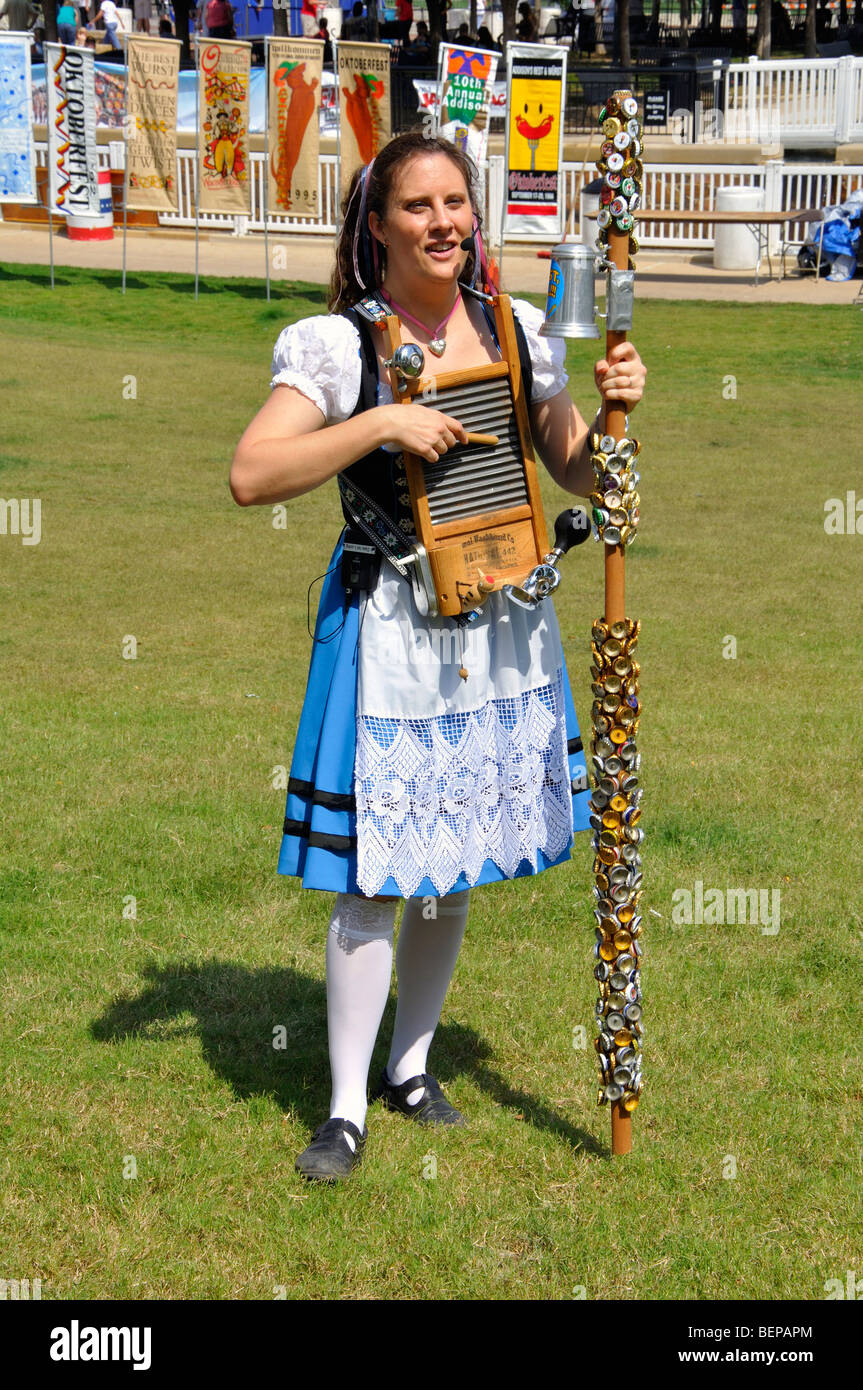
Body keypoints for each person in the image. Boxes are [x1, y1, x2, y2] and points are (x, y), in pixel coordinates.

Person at [229, 134, 645, 1182]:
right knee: (377, 873)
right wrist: (379, 419)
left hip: (501, 616)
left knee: (448, 863)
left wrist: (615, 414)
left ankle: (409, 1068)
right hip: (390, 625)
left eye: (456, 202)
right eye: (417, 206)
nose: (443, 222)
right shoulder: (341, 344)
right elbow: (251, 472)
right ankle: (341, 1108)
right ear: (377, 225)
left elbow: (581, 474)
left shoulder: (514, 328)